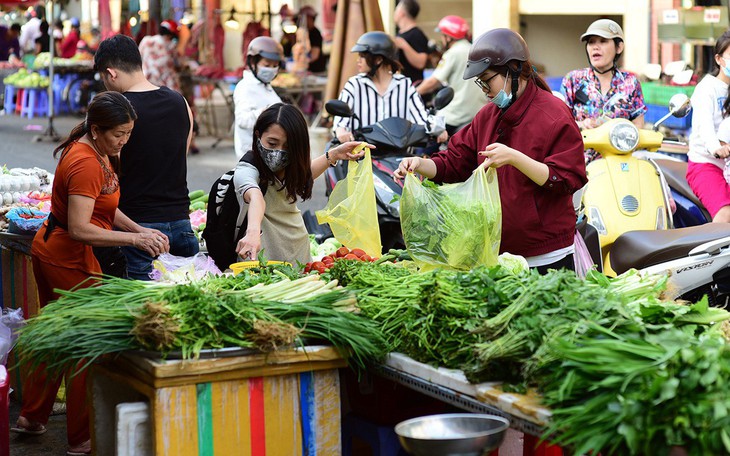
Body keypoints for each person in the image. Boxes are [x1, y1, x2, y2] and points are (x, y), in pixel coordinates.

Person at [11, 92, 169, 456]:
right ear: (96, 130)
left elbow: (105, 207)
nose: (124, 141)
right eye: (119, 135)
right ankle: (81, 437)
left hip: (63, 250)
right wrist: (134, 239)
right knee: (86, 344)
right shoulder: (85, 162)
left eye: (129, 134)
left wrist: (140, 230)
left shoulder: (99, 151)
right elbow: (81, 227)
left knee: (57, 336)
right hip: (65, 255)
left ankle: (33, 418)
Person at [394, 28, 587, 273]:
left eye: (487, 80)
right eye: (480, 82)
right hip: (496, 254)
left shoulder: (554, 115)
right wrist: (419, 164)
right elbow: (454, 162)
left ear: (514, 70)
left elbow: (567, 179)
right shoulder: (487, 116)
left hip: (546, 256)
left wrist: (514, 158)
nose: (484, 89)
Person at [94, 34, 199, 280]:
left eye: (104, 79)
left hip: (138, 232)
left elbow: (104, 175)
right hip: (182, 227)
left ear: (111, 73)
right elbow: (177, 157)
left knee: (141, 313)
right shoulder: (180, 101)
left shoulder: (117, 113)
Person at [234, 103, 371, 264]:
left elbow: (303, 175)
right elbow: (255, 196)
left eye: (287, 146)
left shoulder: (290, 163)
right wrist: (252, 232)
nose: (278, 151)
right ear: (258, 135)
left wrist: (334, 155)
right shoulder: (246, 168)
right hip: (264, 258)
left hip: (299, 251)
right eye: (272, 143)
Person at [560, 19, 647, 163]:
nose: (595, 47)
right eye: (591, 42)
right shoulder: (573, 80)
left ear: (619, 47)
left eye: (603, 41)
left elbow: (638, 125)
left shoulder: (631, 82)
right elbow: (560, 124)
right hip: (580, 167)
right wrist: (583, 124)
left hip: (621, 163)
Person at [333, 31, 430, 144]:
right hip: (363, 155)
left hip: (400, 156)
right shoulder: (354, 85)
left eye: (363, 56)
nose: (358, 60)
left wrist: (436, 129)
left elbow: (421, 119)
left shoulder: (404, 85)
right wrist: (341, 131)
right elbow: (340, 122)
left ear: (378, 59)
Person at [686, 30, 730, 223]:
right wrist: (716, 148)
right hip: (706, 164)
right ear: (719, 59)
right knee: (725, 214)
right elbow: (705, 126)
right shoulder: (707, 88)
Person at [416, 15, 485, 136]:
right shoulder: (475, 50)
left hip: (457, 114)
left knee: (426, 138)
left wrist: (412, 94)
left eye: (443, 35)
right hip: (478, 111)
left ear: (448, 37)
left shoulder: (453, 53)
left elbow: (433, 82)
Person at [233, 36, 284, 159]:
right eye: (267, 65)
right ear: (253, 63)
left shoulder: (266, 87)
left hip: (269, 156)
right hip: (252, 157)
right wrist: (265, 113)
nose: (271, 70)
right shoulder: (245, 87)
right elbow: (242, 120)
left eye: (274, 66)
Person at [138, 19, 180, 92]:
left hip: (146, 82)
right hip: (164, 86)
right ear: (170, 35)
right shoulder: (169, 47)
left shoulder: (146, 40)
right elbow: (175, 64)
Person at [393, 0, 429, 83]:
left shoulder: (416, 34)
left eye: (396, 10)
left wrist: (404, 45)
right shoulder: (400, 33)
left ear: (401, 13)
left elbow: (421, 63)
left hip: (413, 86)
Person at [296, 5, 326, 73]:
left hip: (316, 70)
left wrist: (302, 63)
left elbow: (315, 55)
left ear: (309, 18)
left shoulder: (315, 33)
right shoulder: (304, 32)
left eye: (303, 18)